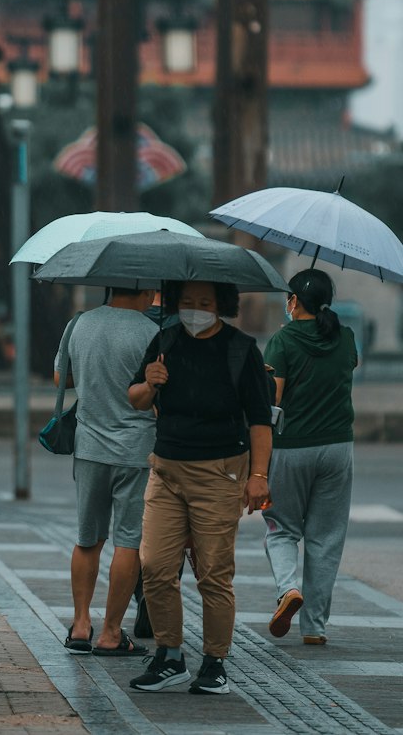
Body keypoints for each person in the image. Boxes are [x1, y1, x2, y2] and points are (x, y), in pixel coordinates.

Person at [126, 280, 273, 697]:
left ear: (221, 305)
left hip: (220, 474)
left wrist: (258, 476)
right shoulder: (165, 339)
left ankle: (214, 662)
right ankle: (169, 656)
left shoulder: (240, 349)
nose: (194, 309)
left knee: (212, 573)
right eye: (187, 302)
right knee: (154, 566)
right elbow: (134, 398)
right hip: (165, 471)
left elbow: (260, 420)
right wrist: (150, 382)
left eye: (204, 302)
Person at [57, 288, 158, 658]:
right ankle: (112, 633)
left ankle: (81, 626)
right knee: (128, 541)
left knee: (88, 538)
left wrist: (93, 374)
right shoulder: (151, 332)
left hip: (89, 447)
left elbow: (60, 380)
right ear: (144, 289)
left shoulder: (79, 324)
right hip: (136, 450)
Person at [262, 269, 358, 646]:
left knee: (282, 527)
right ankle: (315, 627)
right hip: (338, 449)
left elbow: (273, 401)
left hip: (291, 447)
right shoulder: (346, 337)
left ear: (294, 302)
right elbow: (349, 367)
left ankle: (288, 589)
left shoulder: (282, 340)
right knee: (326, 537)